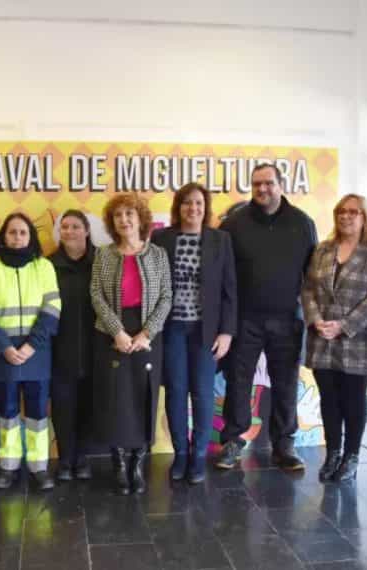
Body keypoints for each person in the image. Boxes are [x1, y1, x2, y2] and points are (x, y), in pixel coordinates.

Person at [216, 163, 318, 472]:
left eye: (269, 183)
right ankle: (233, 441)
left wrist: (314, 318)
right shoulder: (234, 224)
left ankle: (284, 445)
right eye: (257, 184)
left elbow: (312, 276)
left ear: (281, 184)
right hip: (245, 319)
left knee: (286, 382)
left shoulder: (303, 223)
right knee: (238, 380)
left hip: (288, 318)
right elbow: (224, 277)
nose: (263, 189)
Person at [302, 194, 367, 483]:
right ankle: (333, 454)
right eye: (341, 211)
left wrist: (343, 325)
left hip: (358, 341)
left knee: (353, 401)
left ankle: (351, 456)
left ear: (364, 217)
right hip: (322, 339)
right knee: (329, 400)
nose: (346, 216)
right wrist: (316, 320)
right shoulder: (323, 250)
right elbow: (308, 289)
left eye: (353, 212)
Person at [151, 183, 237, 484]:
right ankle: (181, 455)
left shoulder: (220, 240)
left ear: (206, 206)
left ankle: (199, 456)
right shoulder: (161, 238)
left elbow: (230, 291)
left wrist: (226, 332)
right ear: (178, 207)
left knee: (202, 394)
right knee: (175, 393)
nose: (193, 208)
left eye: (199, 203)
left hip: (206, 331)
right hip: (172, 328)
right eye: (187, 203)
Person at [91, 194, 172, 495]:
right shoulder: (103, 255)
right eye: (117, 216)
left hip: (147, 335)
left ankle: (137, 461)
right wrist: (118, 332)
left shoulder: (158, 255)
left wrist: (146, 333)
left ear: (141, 219)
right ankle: (118, 463)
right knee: (116, 397)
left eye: (129, 214)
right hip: (113, 335)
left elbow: (166, 297)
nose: (124, 220)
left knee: (142, 396)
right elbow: (96, 295)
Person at [0, 213, 61, 492]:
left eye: (23, 233)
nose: (17, 237)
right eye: (12, 232)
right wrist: (5, 347)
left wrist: (31, 345)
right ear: (4, 236)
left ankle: (39, 467)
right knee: (7, 411)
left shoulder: (44, 267)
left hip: (37, 350)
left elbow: (52, 309)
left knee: (37, 412)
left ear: (31, 237)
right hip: (3, 352)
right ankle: (8, 466)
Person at [48, 210, 96, 481]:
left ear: (87, 230)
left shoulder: (101, 261)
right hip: (60, 348)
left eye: (75, 226)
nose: (69, 232)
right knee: (63, 407)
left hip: (93, 348)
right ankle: (65, 460)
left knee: (88, 406)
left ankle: (83, 458)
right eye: (64, 227)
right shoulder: (49, 265)